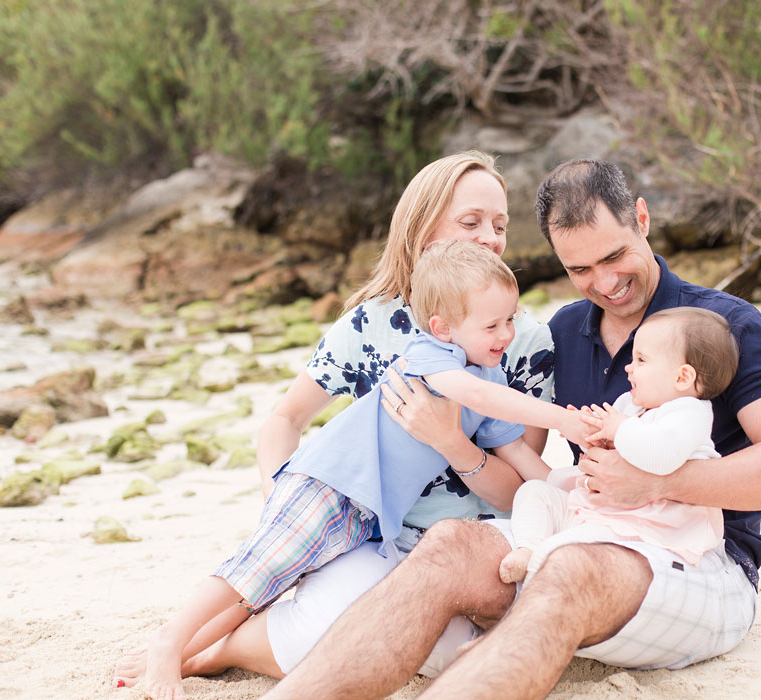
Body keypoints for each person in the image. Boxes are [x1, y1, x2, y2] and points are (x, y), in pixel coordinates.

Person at [258, 158, 761, 700]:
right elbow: (529, 471)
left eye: (615, 255)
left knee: (570, 568)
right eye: (579, 270)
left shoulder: (723, 324)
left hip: (699, 561)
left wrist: (655, 483)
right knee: (451, 543)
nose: (604, 283)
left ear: (642, 220)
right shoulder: (565, 331)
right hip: (578, 532)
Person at [111, 151, 556, 689]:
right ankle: (201, 648)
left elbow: (520, 493)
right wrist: (282, 493)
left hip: (470, 541)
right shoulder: (370, 324)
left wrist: (451, 442)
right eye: (470, 222)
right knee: (315, 618)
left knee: (453, 648)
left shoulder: (521, 340)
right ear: (422, 228)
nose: (489, 236)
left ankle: (212, 651)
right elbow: (285, 418)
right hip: (368, 533)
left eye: (500, 224)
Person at [498, 306, 738, 584]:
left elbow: (662, 456)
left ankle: (541, 568)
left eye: (641, 360)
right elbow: (611, 456)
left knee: (570, 549)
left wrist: (619, 427)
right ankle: (528, 547)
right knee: (534, 492)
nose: (628, 367)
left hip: (647, 526)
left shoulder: (690, 412)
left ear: (682, 377)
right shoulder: (630, 405)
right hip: (605, 510)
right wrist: (594, 437)